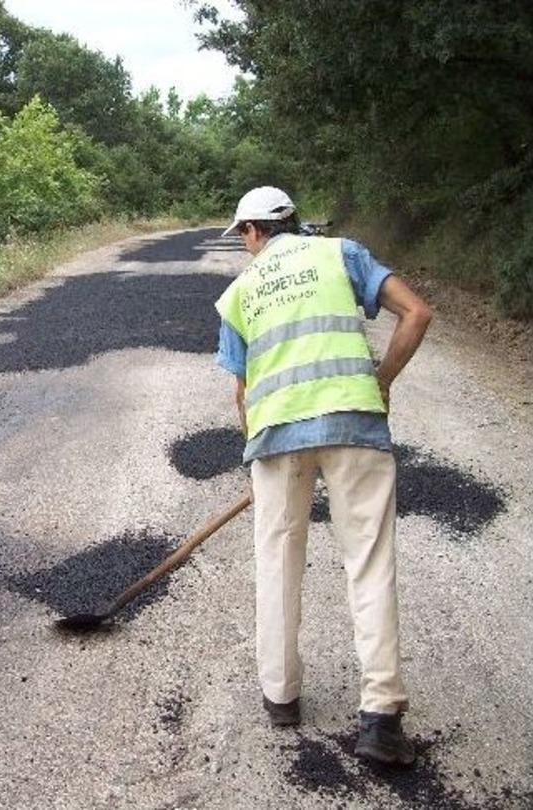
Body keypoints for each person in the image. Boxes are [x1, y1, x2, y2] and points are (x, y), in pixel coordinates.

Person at [214, 187, 432, 765]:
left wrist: (256, 455)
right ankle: (381, 719)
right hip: (355, 422)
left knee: (277, 559)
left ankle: (281, 696)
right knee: (369, 560)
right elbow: (417, 312)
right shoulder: (344, 254)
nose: (244, 246)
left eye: (241, 236)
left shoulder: (239, 293)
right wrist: (382, 379)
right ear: (293, 223)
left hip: (276, 439)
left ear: (254, 231)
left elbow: (242, 392)